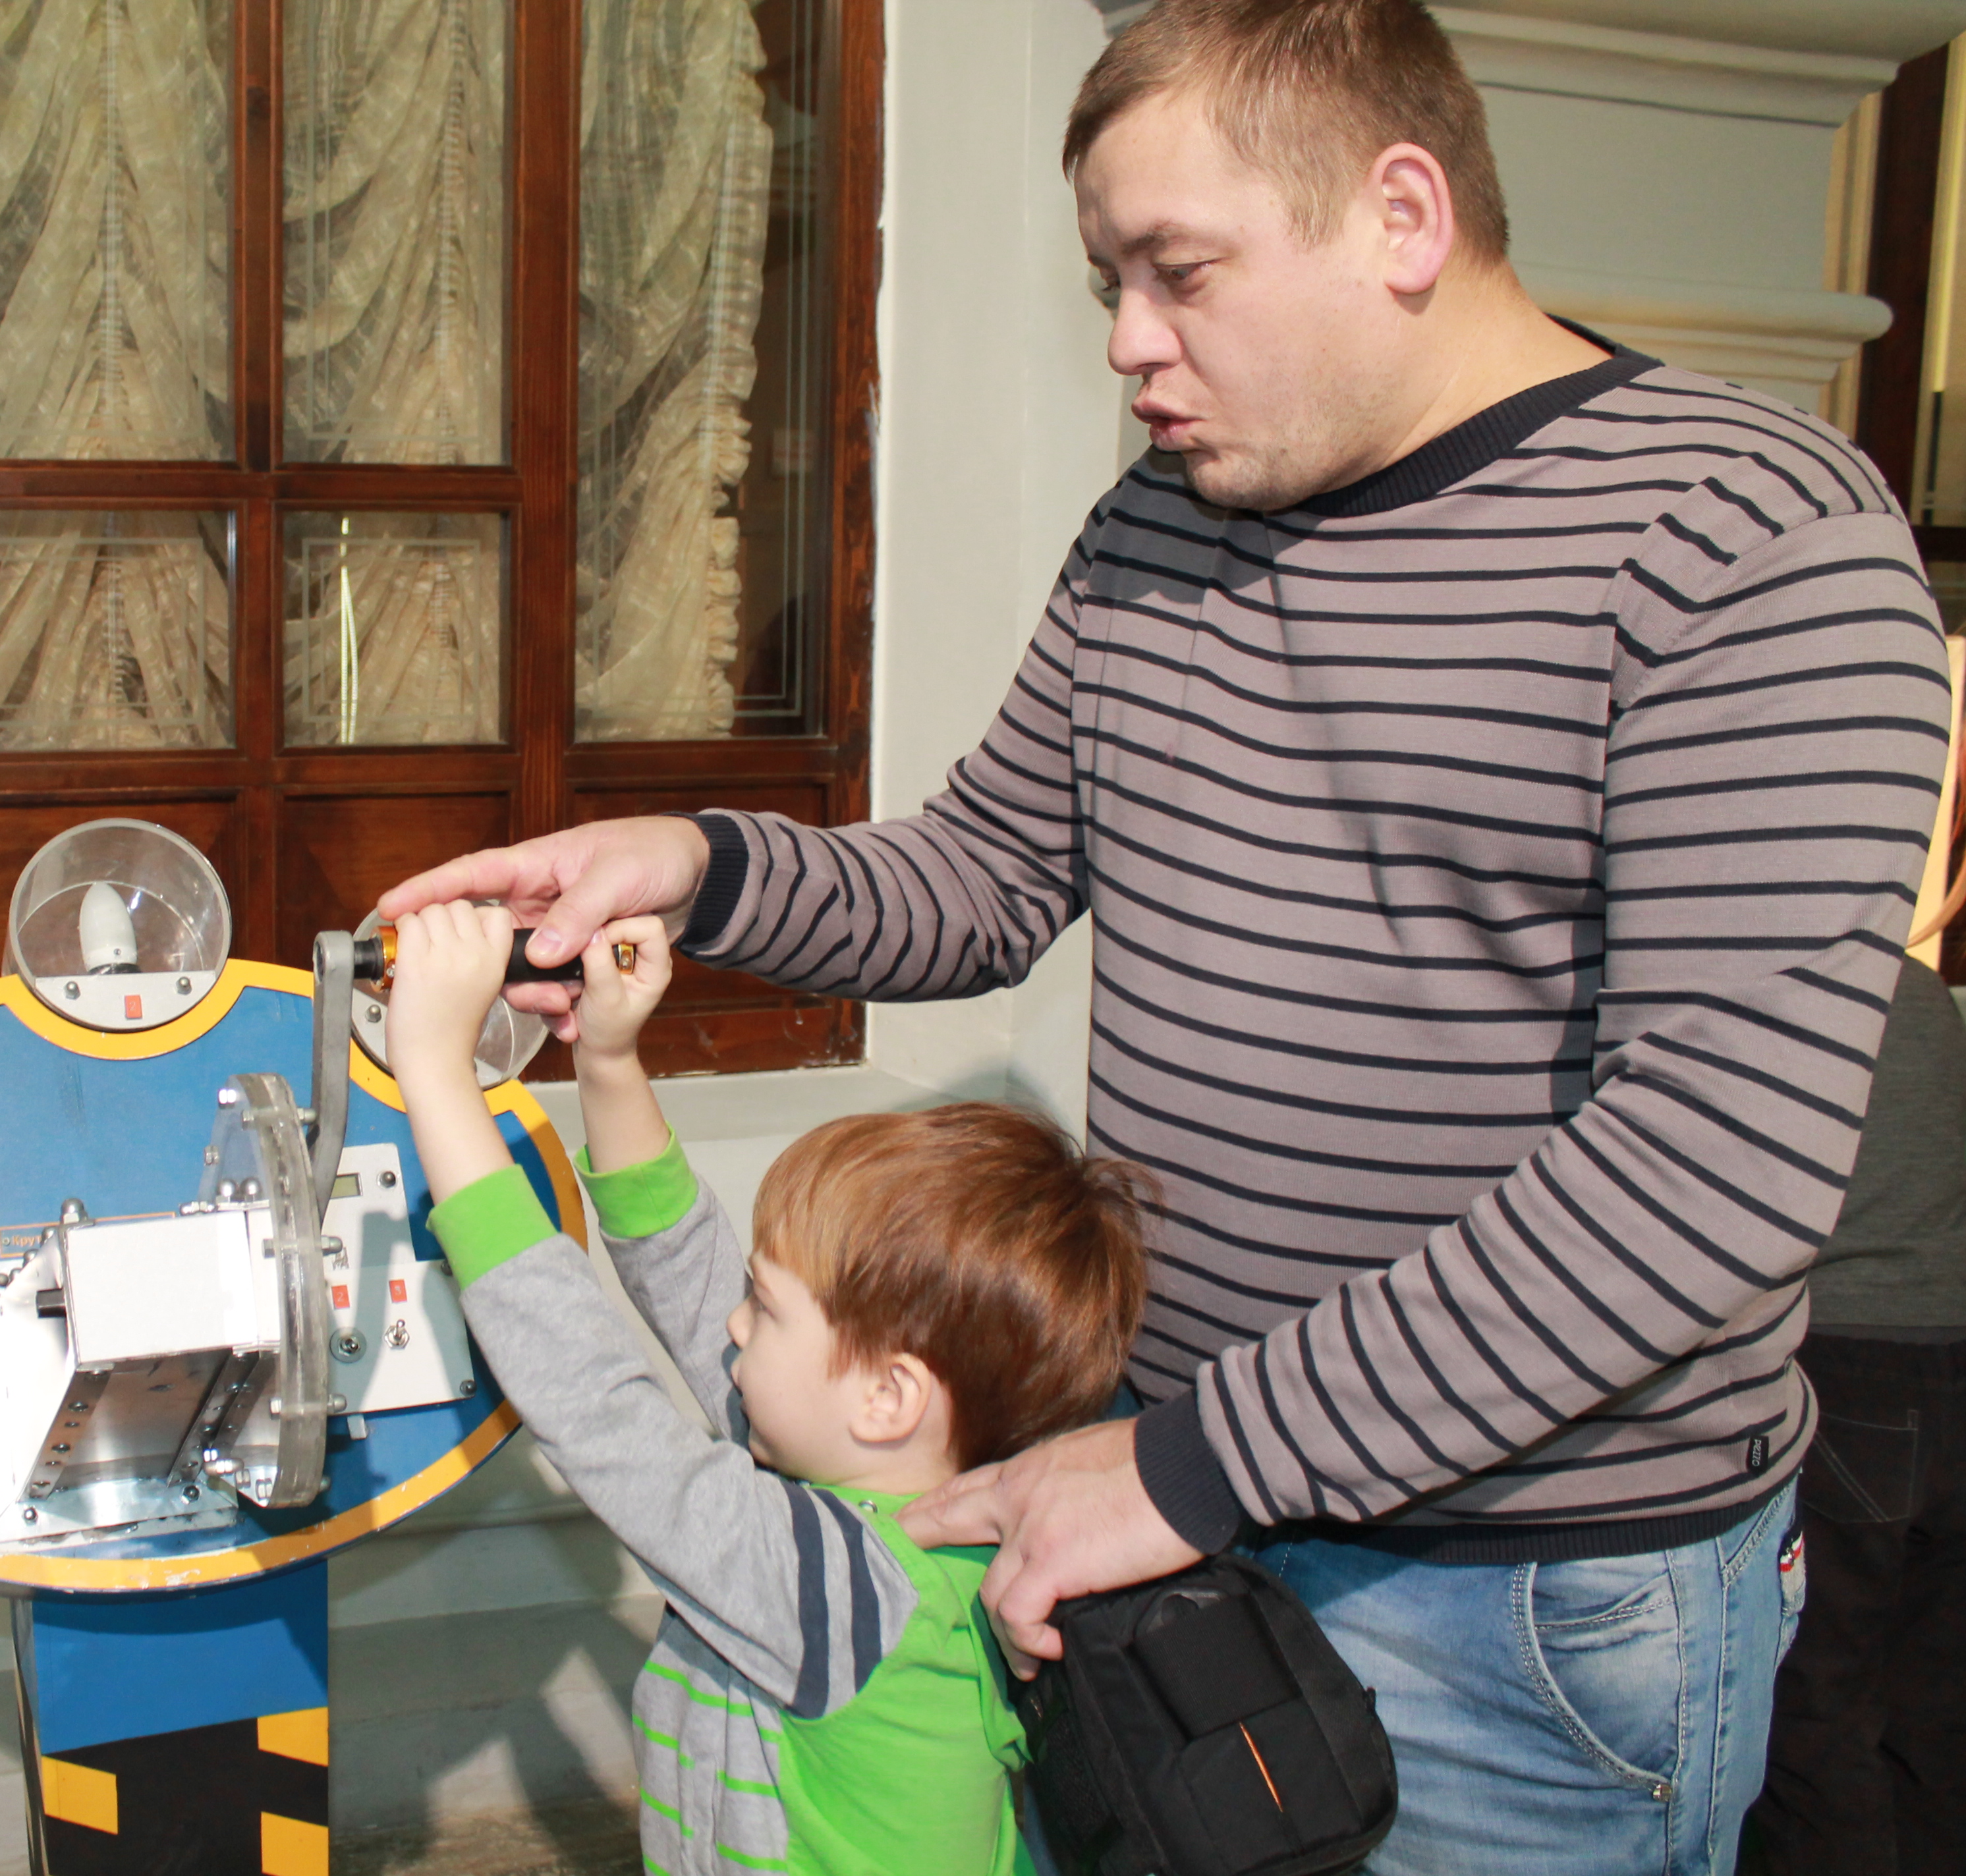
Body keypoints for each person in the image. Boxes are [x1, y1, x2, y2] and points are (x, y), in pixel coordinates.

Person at [378, 3, 1951, 1871]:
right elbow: (982, 877)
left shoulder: (1752, 540)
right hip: (1160, 1505)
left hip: (1516, 1602)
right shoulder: (1164, 525)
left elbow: (1704, 1177)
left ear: (1403, 214)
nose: (1128, 340)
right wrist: (695, 867)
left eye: (1178, 273)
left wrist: (1193, 1467)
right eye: (1107, 281)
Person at [379, 898, 1148, 1876]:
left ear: (888, 1399)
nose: (734, 1323)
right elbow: (687, 1270)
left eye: (768, 1307)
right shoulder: (885, 1503)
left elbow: (598, 1408)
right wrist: (607, 1059)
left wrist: (437, 1071)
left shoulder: (844, 1593)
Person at [1747, 702, 1966, 1874]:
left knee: (1815, 1708)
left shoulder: (1798, 996)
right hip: (1952, 1354)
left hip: (1847, 1362)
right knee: (1933, 1706)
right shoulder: (1925, 999)